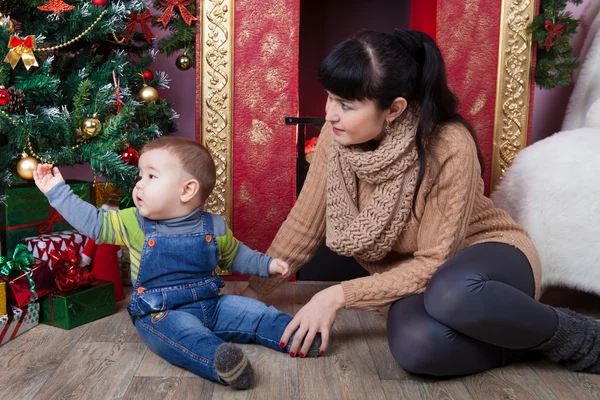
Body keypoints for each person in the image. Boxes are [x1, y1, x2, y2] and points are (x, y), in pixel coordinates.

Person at [243, 29, 600, 376]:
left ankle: (580, 337)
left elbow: (434, 263)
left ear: (394, 109)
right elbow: (304, 227)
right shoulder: (333, 141)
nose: (331, 114)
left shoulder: (448, 145)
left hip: (489, 263)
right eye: (330, 98)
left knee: (452, 291)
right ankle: (522, 340)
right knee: (417, 347)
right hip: (417, 284)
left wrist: (336, 296)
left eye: (346, 105)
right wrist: (249, 296)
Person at [33, 136, 321, 390]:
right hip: (162, 312)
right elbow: (94, 223)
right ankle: (222, 361)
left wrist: (267, 265)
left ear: (186, 190)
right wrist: (57, 192)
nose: (139, 185)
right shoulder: (134, 222)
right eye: (140, 176)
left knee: (254, 312)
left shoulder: (214, 226)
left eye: (151, 177)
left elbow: (237, 255)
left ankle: (301, 336)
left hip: (213, 304)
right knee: (186, 336)